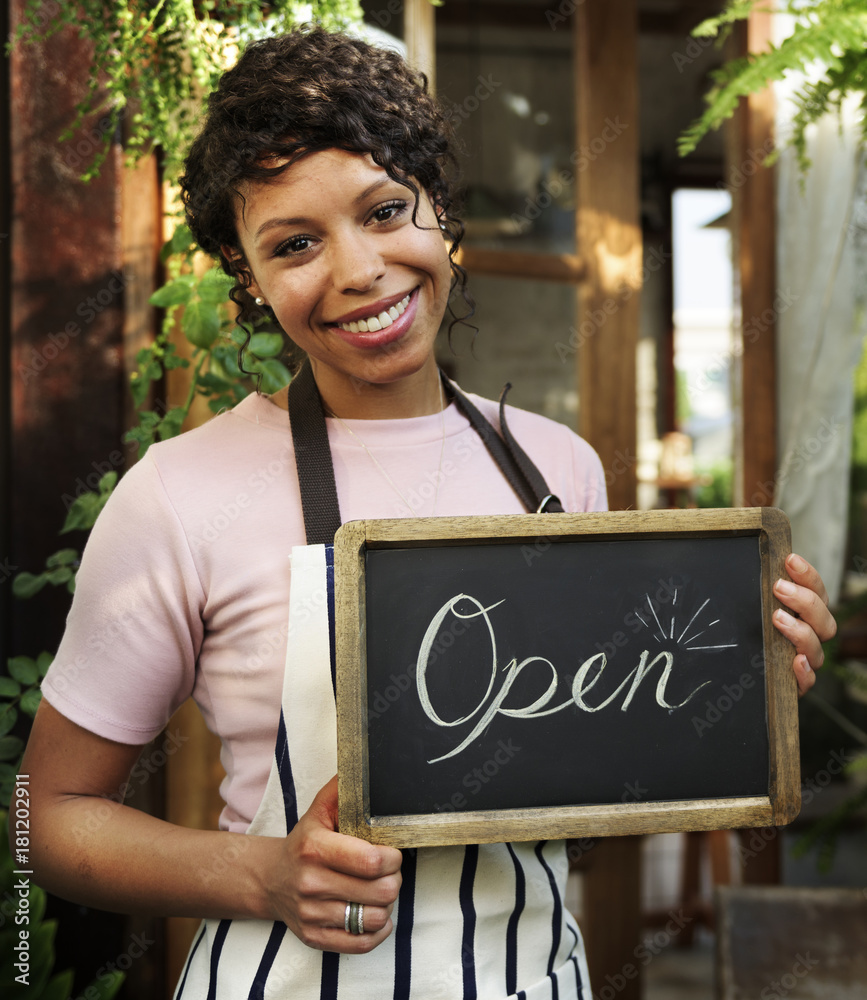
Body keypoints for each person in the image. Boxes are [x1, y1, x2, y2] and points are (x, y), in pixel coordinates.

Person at [20, 26, 836, 1000]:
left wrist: (739, 686)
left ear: (439, 210)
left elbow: (595, 757)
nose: (359, 269)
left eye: (385, 210)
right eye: (294, 243)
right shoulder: (180, 492)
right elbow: (47, 817)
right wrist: (262, 874)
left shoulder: (556, 469)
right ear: (246, 277)